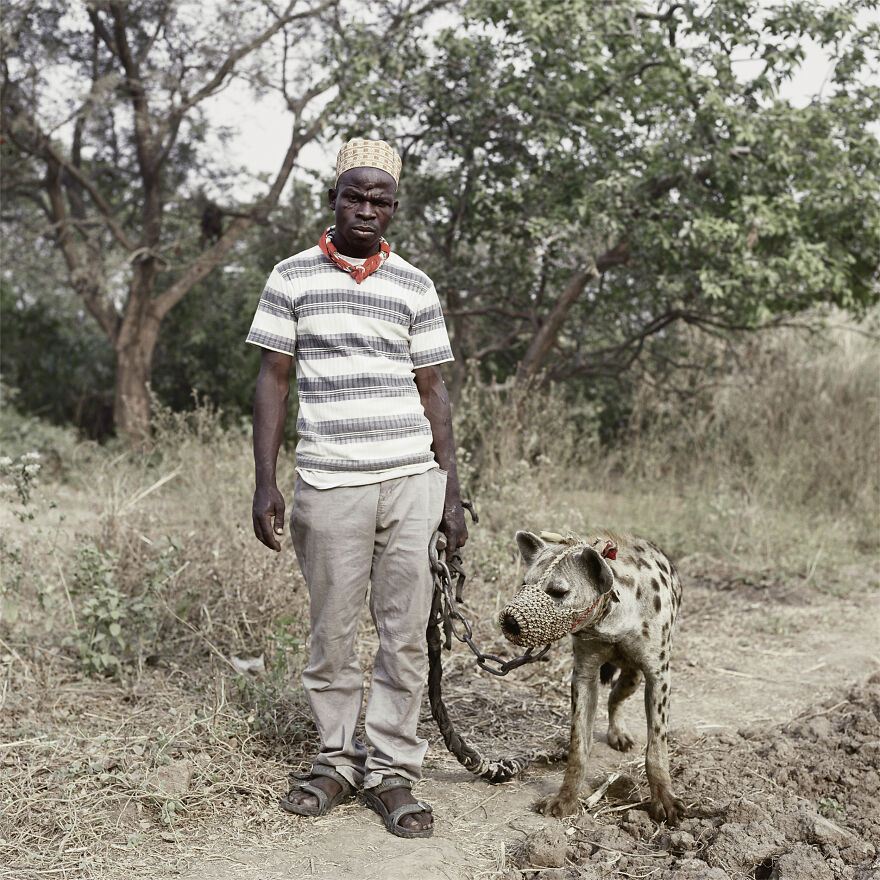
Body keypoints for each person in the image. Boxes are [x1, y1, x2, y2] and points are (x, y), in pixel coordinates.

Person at [247, 138, 468, 839]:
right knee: (333, 634)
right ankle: (337, 762)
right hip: (329, 481)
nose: (367, 210)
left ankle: (392, 772)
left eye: (381, 200)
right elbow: (273, 381)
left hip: (409, 481)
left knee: (404, 636)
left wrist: (451, 494)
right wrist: (265, 482)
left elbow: (433, 392)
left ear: (393, 208)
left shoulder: (415, 285)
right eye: (355, 196)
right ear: (334, 199)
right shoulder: (290, 277)